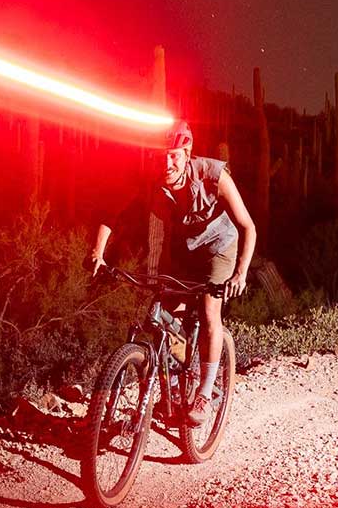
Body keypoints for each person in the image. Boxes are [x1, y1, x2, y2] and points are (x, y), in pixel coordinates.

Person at [89, 120, 256, 427]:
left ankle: (204, 393)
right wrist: (98, 253)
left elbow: (248, 227)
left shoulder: (213, 176)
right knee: (163, 311)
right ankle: (178, 371)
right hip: (184, 247)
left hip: (220, 247)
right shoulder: (148, 180)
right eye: (160, 156)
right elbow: (112, 212)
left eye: (174, 155)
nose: (166, 163)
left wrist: (240, 273)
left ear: (187, 152)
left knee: (208, 311)